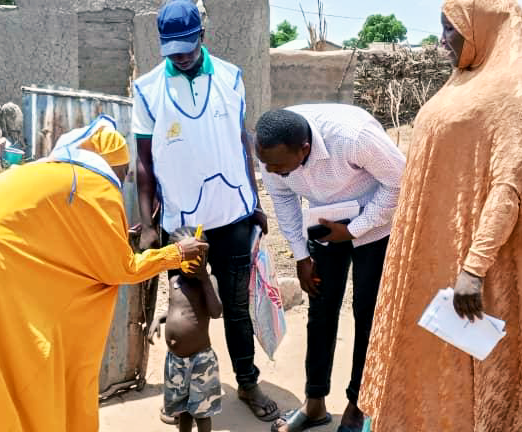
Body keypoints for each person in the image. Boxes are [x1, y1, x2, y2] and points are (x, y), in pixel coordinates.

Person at [0, 118, 208, 432]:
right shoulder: (96, 186)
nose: (122, 180)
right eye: (124, 172)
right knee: (5, 381)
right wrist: (177, 253)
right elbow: (121, 268)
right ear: (113, 166)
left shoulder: (43, 173)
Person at [357, 0, 522, 431]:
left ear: (483, 27)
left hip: (464, 264)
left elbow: (508, 188)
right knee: (419, 358)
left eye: (450, 28)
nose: (442, 40)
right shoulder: (464, 80)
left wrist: (473, 270)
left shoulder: (516, 92)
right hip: (425, 255)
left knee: (458, 371)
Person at [132, 0, 279, 423]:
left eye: (187, 47)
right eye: (171, 50)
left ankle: (247, 382)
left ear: (202, 35)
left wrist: (254, 203)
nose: (179, 56)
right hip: (183, 226)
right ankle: (183, 394)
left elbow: (241, 142)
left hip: (232, 213)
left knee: (234, 308)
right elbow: (144, 162)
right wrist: (149, 223)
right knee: (187, 309)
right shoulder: (148, 89)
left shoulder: (232, 77)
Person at [254, 106, 405, 432]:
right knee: (321, 309)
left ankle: (358, 405)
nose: (270, 171)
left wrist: (354, 229)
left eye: (278, 166)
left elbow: (400, 181)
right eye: (266, 164)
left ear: (304, 149)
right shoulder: (272, 155)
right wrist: (301, 256)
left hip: (375, 226)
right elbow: (283, 200)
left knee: (367, 313)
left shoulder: (353, 137)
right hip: (324, 226)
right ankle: (314, 403)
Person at [147, 227, 223, 432]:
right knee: (182, 410)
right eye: (185, 257)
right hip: (175, 361)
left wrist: (204, 277)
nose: (190, 263)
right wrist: (159, 319)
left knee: (202, 412)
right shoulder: (174, 281)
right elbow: (176, 309)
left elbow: (216, 312)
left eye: (196, 257)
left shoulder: (209, 282)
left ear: (205, 257)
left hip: (201, 361)